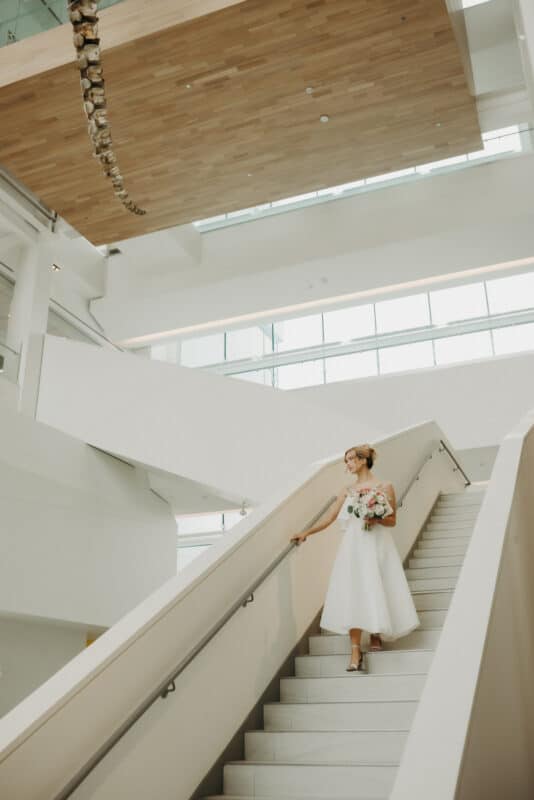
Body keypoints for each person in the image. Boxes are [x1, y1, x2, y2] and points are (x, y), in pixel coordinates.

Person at [290, 444, 420, 672]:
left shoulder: (384, 486)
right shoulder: (347, 490)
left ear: (362, 460)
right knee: (354, 590)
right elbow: (330, 518)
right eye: (346, 460)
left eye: (350, 459)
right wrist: (306, 533)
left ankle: (376, 632)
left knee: (376, 584)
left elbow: (392, 521)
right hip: (354, 546)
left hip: (377, 544)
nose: (347, 464)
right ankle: (355, 650)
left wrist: (374, 517)